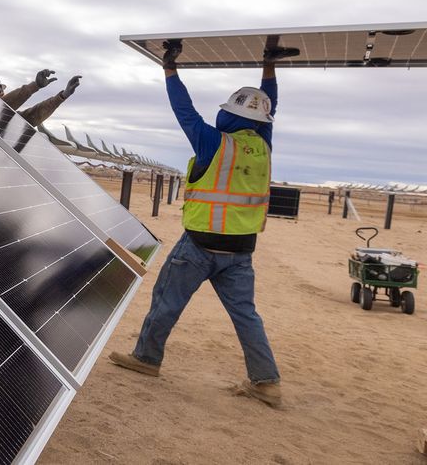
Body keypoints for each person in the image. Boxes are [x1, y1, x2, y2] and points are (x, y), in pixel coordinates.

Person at [107, 41, 297, 408]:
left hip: (198, 247)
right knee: (246, 315)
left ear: (231, 116)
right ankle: (266, 382)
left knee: (166, 301)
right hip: (240, 252)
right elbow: (270, 106)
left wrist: (169, 68)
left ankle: (146, 359)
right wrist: (268, 69)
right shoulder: (263, 144)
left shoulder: (213, 142)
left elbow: (184, 111)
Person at [0, 69, 81, 126]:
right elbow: (2, 106)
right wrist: (35, 86)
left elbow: (33, 115)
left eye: (2, 90)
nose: (2, 93)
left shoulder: (7, 119)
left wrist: (62, 97)